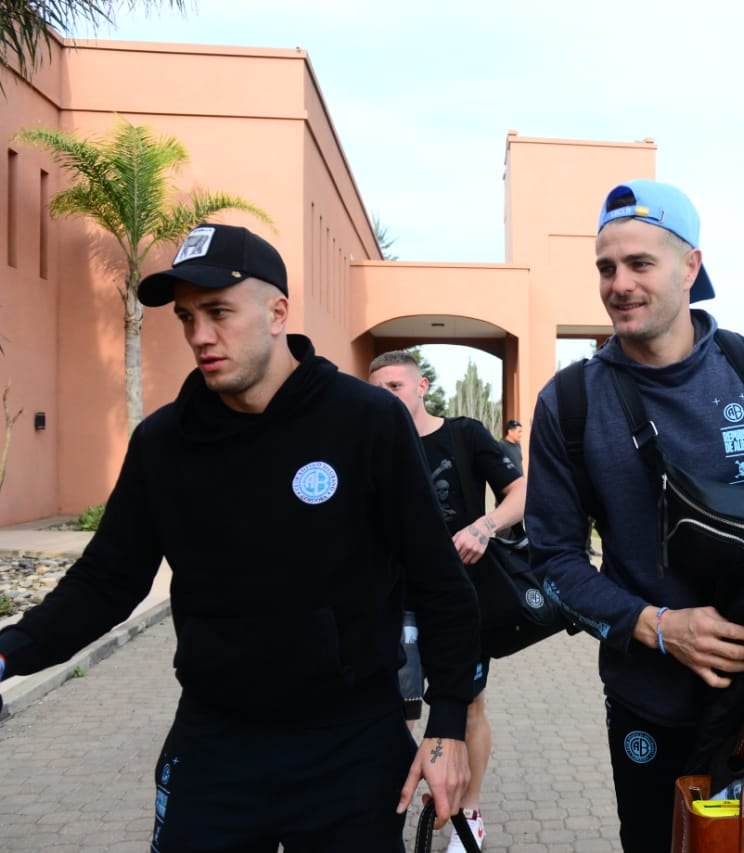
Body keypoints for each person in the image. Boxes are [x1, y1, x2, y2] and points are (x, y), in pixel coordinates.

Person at [0, 224, 479, 852]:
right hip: (215, 744)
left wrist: (446, 725)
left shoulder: (365, 421)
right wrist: (10, 653)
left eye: (219, 312)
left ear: (277, 312)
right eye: (187, 318)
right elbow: (107, 580)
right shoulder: (165, 443)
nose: (201, 335)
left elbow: (439, 582)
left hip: (352, 742)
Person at [523, 179, 744, 852]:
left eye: (639, 263)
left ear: (690, 266)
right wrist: (659, 626)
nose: (618, 283)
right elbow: (552, 561)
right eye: (606, 267)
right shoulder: (571, 403)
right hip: (650, 704)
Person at [369, 350, 527, 853]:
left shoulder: (463, 433)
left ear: (422, 387)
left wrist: (485, 526)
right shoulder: (368, 443)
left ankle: (468, 814)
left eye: (395, 386)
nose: (385, 397)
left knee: (468, 708)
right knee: (398, 711)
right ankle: (388, 810)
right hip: (392, 601)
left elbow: (523, 490)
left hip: (460, 601)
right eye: (377, 389)